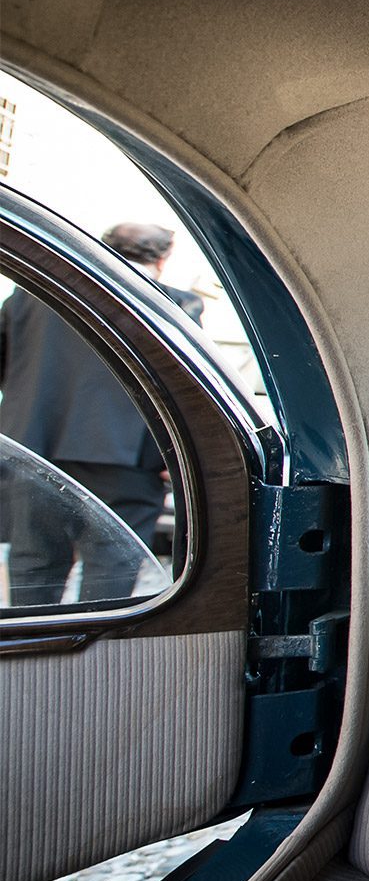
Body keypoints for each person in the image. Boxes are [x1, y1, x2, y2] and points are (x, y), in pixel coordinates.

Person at [0, 222, 203, 605]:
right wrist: (172, 457)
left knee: (35, 560)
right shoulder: (175, 304)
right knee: (113, 563)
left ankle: (33, 649)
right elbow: (184, 391)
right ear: (163, 258)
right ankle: (96, 658)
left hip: (36, 449)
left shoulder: (30, 296)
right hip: (126, 459)